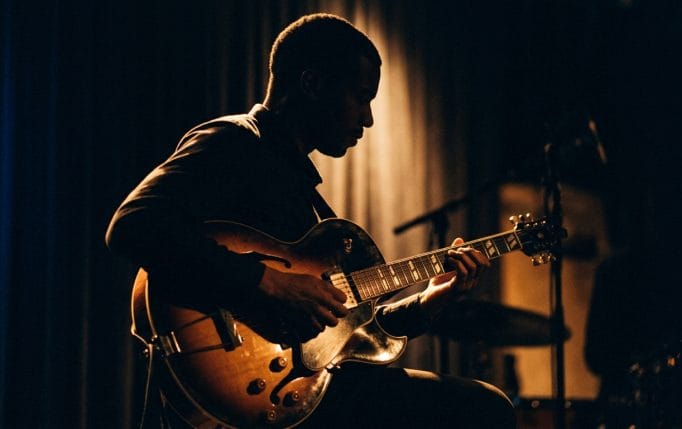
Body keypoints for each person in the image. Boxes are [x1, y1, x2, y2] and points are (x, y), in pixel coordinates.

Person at [106, 13, 516, 429]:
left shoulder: (302, 191)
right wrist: (268, 283)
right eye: (361, 97)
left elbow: (349, 336)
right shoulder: (234, 142)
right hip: (255, 388)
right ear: (312, 84)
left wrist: (431, 300)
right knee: (482, 408)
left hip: (302, 387)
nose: (368, 118)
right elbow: (133, 223)